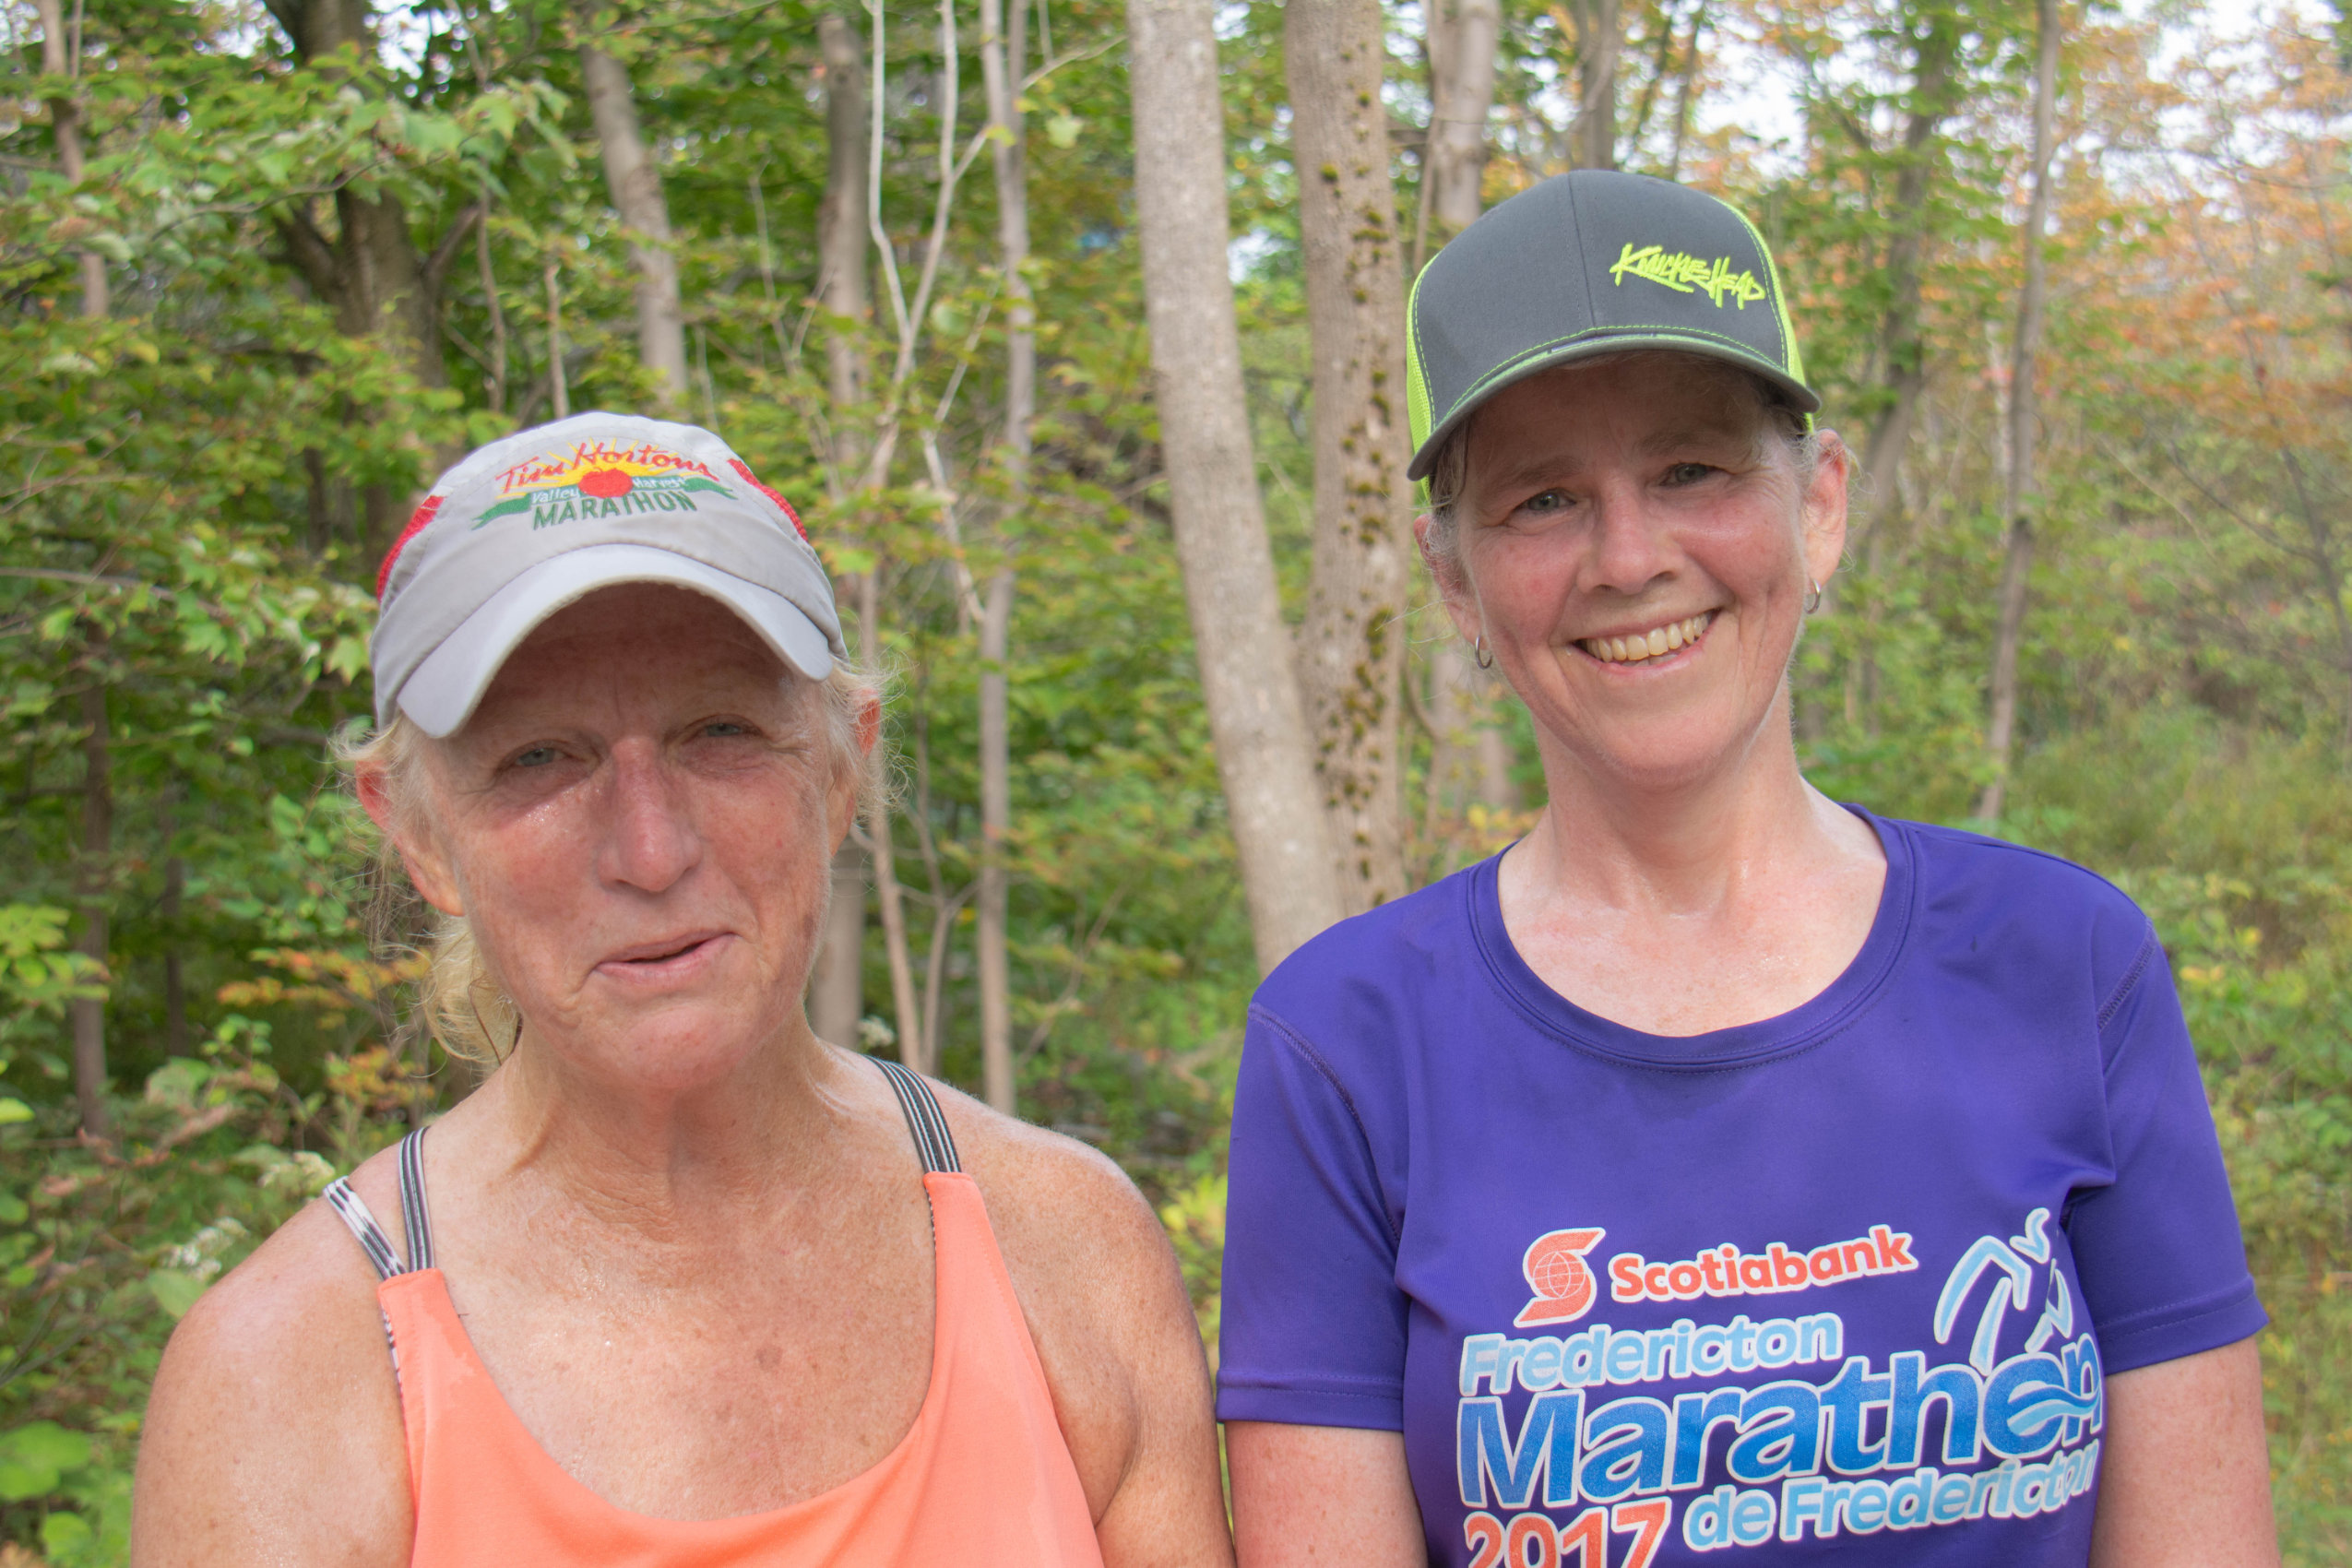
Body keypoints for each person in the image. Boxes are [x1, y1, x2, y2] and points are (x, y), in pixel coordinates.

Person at [1215, 172, 2277, 1567]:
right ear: (1456, 582)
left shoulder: (2063, 964)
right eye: (1543, 498)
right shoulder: (1345, 1045)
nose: (1628, 557)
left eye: (1691, 471)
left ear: (1818, 504)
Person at [132, 414, 1234, 1568]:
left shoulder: (1066, 1247)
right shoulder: (285, 1379)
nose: (651, 853)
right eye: (538, 757)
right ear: (416, 833)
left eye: (721, 730)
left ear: (844, 764)